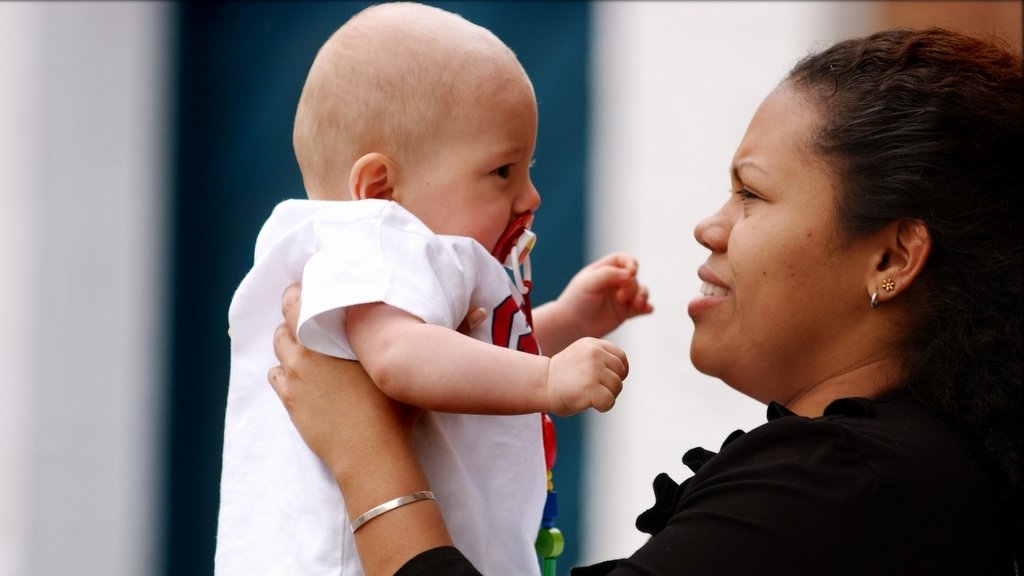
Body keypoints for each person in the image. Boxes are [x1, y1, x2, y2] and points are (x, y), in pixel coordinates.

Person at [267, 26, 1023, 575]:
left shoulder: (852, 484)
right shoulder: (893, 477)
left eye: (751, 194)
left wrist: (365, 453)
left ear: (891, 257)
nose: (710, 227)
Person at [216, 3, 652, 576]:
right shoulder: (374, 237)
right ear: (380, 188)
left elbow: (460, 360)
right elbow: (401, 358)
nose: (531, 197)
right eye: (503, 171)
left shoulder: (383, 265)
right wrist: (547, 379)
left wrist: (567, 320)